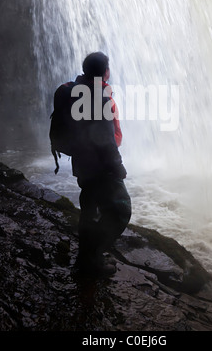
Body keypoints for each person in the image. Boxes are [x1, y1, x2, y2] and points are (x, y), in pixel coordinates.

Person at [71, 52, 131, 276]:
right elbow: (104, 139)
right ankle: (92, 260)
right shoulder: (98, 97)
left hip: (83, 164)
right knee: (121, 210)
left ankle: (84, 259)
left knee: (89, 211)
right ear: (105, 71)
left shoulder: (79, 91)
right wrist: (117, 166)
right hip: (101, 167)